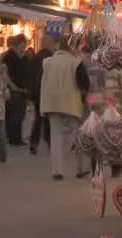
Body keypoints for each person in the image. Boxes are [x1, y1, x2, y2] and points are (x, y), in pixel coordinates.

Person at [40, 36, 90, 181]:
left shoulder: (47, 62)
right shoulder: (76, 62)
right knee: (77, 135)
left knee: (55, 136)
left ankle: (57, 170)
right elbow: (84, 85)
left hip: (51, 103)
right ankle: (82, 168)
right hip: (71, 103)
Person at [28, 35, 55, 155]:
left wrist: (31, 92)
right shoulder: (51, 57)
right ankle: (50, 142)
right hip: (48, 91)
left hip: (37, 92)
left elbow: (30, 76)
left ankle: (34, 141)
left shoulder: (35, 57)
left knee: (38, 118)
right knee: (49, 118)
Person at [1, 34, 29, 146]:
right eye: (23, 44)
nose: (25, 46)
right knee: (13, 114)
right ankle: (13, 137)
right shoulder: (8, 56)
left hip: (23, 89)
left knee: (20, 114)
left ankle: (16, 136)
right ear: (18, 44)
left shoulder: (25, 57)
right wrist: (13, 86)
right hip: (13, 89)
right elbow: (5, 73)